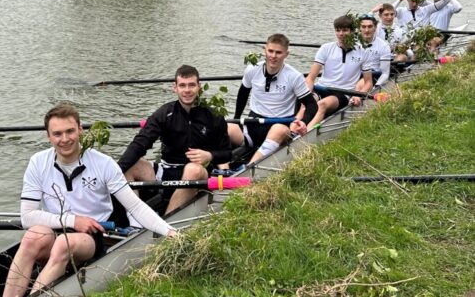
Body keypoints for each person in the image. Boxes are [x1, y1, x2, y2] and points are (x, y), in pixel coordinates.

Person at [0, 103, 175, 297]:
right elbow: (27, 217)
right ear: (48, 136)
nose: (64, 139)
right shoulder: (38, 162)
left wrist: (170, 232)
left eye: (70, 131)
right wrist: (74, 220)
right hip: (58, 229)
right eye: (57, 134)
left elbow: (135, 207)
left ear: (80, 129)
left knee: (64, 243)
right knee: (31, 237)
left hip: (95, 236)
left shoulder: (103, 163)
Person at [118, 65, 232, 215]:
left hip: (197, 175)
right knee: (133, 164)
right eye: (182, 85)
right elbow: (140, 143)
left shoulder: (213, 116)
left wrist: (209, 156)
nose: (187, 90)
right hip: (166, 171)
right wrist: (115, 170)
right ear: (175, 88)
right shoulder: (164, 113)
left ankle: (165, 224)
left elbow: (227, 153)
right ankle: (135, 221)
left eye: (191, 85)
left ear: (199, 87)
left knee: (193, 169)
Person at [228, 34, 318, 165]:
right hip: (253, 124)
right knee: (224, 127)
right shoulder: (252, 69)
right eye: (270, 51)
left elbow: (311, 105)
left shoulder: (294, 76)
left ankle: (248, 170)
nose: (273, 56)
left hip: (279, 125)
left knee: (279, 130)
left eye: (278, 52)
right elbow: (243, 94)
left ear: (286, 54)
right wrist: (236, 118)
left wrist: (303, 122)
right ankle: (218, 165)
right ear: (265, 50)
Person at [305, 15, 374, 129]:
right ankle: (295, 126)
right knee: (305, 103)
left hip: (344, 93)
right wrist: (306, 91)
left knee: (322, 105)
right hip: (322, 87)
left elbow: (368, 82)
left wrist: (359, 96)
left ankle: (303, 136)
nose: (341, 34)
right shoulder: (326, 48)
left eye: (345, 30)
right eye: (338, 30)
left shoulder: (363, 51)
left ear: (353, 32)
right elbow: (311, 78)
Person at [358, 14, 392, 86]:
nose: (366, 30)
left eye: (370, 27)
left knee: (361, 84)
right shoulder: (353, 44)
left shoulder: (384, 46)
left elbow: (385, 74)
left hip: (374, 74)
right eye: (363, 27)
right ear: (359, 29)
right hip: (355, 75)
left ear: (375, 28)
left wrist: (376, 87)